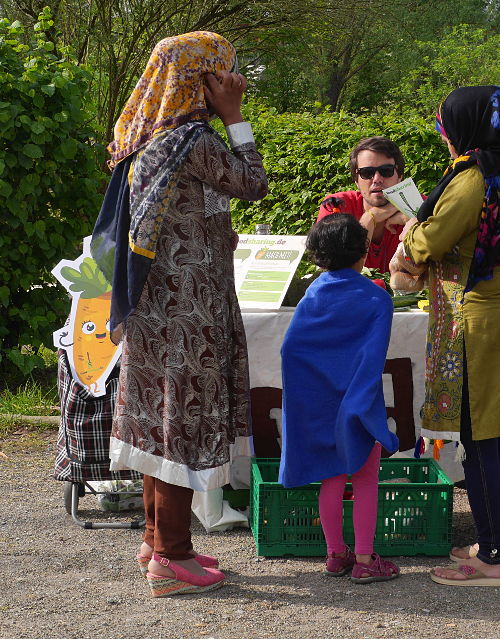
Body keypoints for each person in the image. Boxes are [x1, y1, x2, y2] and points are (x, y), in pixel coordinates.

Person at [90, 31, 268, 597]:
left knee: (158, 419)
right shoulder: (194, 140)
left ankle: (155, 538)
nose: (234, 79)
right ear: (203, 78)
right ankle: (171, 555)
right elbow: (254, 183)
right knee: (181, 422)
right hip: (189, 312)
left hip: (153, 310)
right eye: (225, 71)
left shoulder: (142, 138)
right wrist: (235, 116)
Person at [399, 86, 500, 586]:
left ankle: (491, 559)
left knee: (480, 435)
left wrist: (409, 231)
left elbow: (429, 241)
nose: (445, 138)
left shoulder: (474, 177)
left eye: (446, 127)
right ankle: (499, 544)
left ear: (465, 128)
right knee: (498, 433)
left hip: (478, 321)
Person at [278, 213, 401, 584]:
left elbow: (290, 350)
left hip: (317, 404)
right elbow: (373, 355)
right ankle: (365, 558)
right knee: (365, 479)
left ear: (317, 255)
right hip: (357, 400)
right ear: (362, 252)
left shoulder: (311, 295)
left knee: (330, 477)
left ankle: (335, 555)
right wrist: (361, 403)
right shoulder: (378, 298)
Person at [317, 137, 409, 273]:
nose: (377, 179)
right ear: (356, 180)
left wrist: (415, 218)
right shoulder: (336, 206)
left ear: (400, 175)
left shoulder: (419, 205)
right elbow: (338, 270)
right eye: (367, 173)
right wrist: (370, 217)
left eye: (386, 171)